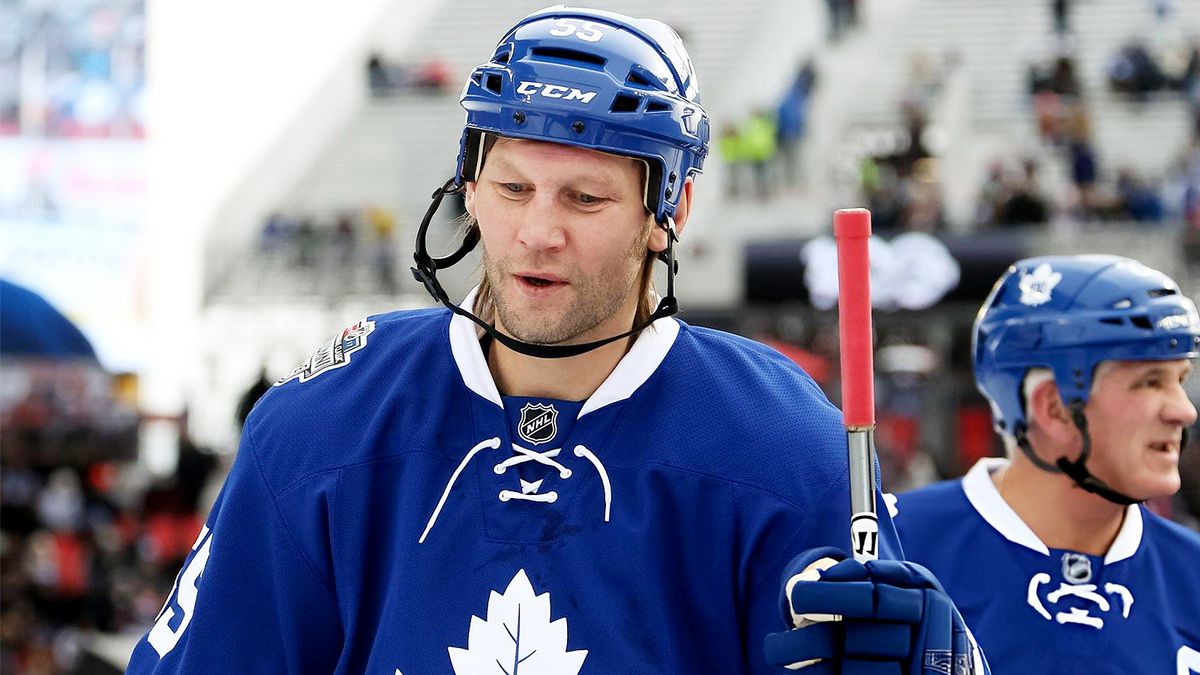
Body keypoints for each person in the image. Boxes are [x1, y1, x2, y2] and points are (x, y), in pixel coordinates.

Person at [127, 7, 982, 674]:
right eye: (512, 187)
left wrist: (948, 663)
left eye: (585, 198)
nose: (539, 232)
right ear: (469, 184)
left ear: (671, 210)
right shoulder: (324, 422)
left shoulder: (784, 445)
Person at [894, 255, 1200, 673]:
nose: (1184, 411)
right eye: (1149, 382)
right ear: (1053, 408)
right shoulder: (893, 548)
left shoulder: (1191, 574)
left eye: (1180, 380)